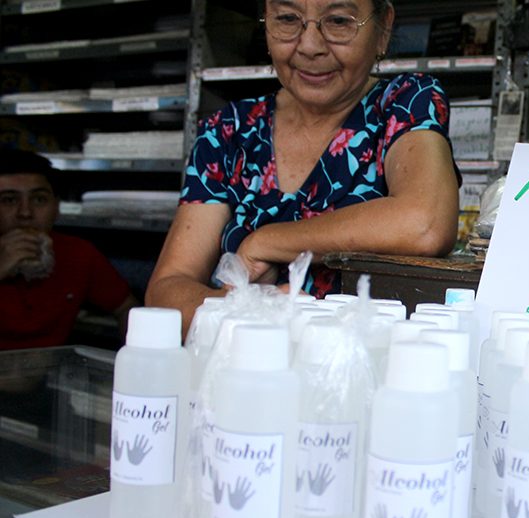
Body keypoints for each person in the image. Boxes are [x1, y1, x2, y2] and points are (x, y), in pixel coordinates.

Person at [146, 0, 460, 335]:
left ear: (382, 29)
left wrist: (266, 242)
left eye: (338, 21)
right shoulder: (229, 131)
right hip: (244, 362)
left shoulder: (405, 103)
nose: (310, 46)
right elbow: (165, 293)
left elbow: (425, 223)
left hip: (360, 363)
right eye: (287, 19)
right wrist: (246, 312)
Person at [0, 149, 138, 350]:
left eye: (39, 199)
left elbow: (127, 308)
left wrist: (133, 358)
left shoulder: (78, 253)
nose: (25, 213)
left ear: (56, 207)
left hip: (49, 368)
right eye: (8, 200)